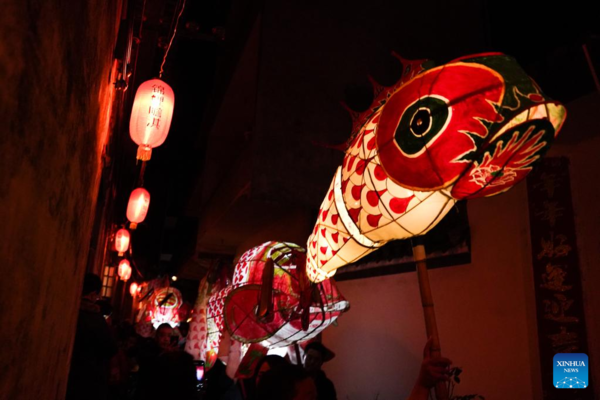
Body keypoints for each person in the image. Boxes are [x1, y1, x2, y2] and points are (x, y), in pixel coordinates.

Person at [66, 273, 117, 400]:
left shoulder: (67, 309)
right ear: (93, 293)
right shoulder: (95, 318)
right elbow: (110, 348)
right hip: (88, 377)